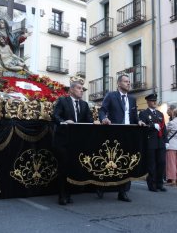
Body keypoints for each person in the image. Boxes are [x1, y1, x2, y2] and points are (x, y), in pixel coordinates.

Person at [98, 74, 145, 202]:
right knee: (110, 162)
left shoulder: (132, 99)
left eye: (129, 81)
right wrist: (104, 118)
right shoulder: (111, 96)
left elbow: (134, 116)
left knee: (126, 162)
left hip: (129, 134)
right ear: (119, 84)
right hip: (114, 133)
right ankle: (102, 186)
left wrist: (139, 121)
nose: (129, 83)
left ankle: (123, 191)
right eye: (126, 81)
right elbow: (102, 110)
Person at [52, 79, 94, 205]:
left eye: (82, 89)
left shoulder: (85, 105)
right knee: (63, 168)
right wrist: (65, 122)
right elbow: (55, 116)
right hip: (63, 141)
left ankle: (70, 193)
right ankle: (62, 195)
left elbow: (89, 120)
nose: (82, 91)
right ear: (71, 90)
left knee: (73, 168)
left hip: (77, 142)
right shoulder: (63, 101)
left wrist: (93, 123)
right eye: (79, 88)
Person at [139, 93, 168, 192]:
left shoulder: (160, 114)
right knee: (152, 164)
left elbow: (164, 128)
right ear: (148, 102)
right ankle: (152, 184)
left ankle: (160, 183)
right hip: (150, 142)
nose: (154, 102)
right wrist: (152, 126)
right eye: (152, 100)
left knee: (162, 163)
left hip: (160, 142)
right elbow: (142, 127)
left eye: (155, 100)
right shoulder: (143, 113)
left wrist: (166, 141)